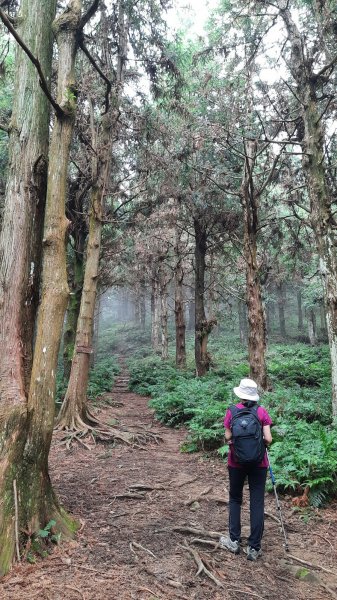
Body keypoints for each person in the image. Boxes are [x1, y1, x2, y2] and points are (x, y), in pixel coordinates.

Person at [220, 378, 272, 561]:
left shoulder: (232, 412)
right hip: (259, 463)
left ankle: (234, 541)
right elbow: (269, 439)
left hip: (236, 462)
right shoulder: (261, 412)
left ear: (240, 394)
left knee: (235, 498)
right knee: (256, 501)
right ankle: (254, 548)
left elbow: (227, 437)